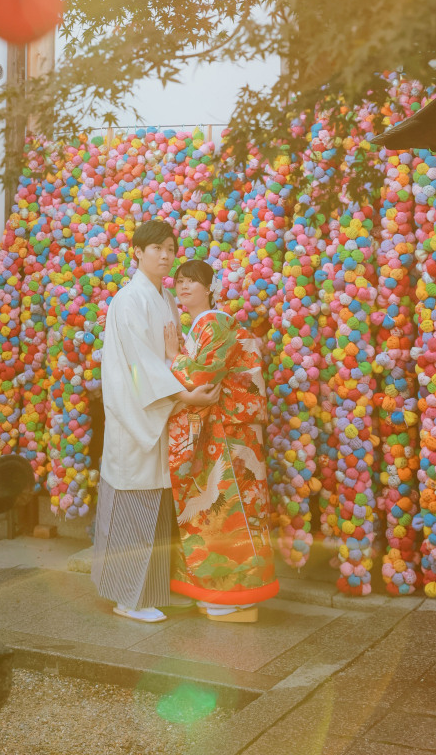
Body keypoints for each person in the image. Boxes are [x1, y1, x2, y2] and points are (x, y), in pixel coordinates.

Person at [91, 221, 220, 623]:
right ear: (136, 252)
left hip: (159, 413)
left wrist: (182, 370)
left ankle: (155, 589)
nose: (165, 256)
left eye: (170, 248)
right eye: (156, 248)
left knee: (159, 507)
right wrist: (184, 395)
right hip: (138, 417)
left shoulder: (163, 296)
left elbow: (166, 356)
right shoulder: (129, 300)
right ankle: (127, 597)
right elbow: (138, 366)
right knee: (135, 505)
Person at [167, 260, 279, 622]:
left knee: (228, 510)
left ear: (209, 287)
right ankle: (222, 593)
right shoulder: (203, 324)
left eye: (193, 282)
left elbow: (202, 375)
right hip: (226, 429)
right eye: (180, 282)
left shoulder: (214, 322)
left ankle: (234, 596)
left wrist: (172, 356)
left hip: (229, 433)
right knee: (220, 510)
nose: (184, 288)